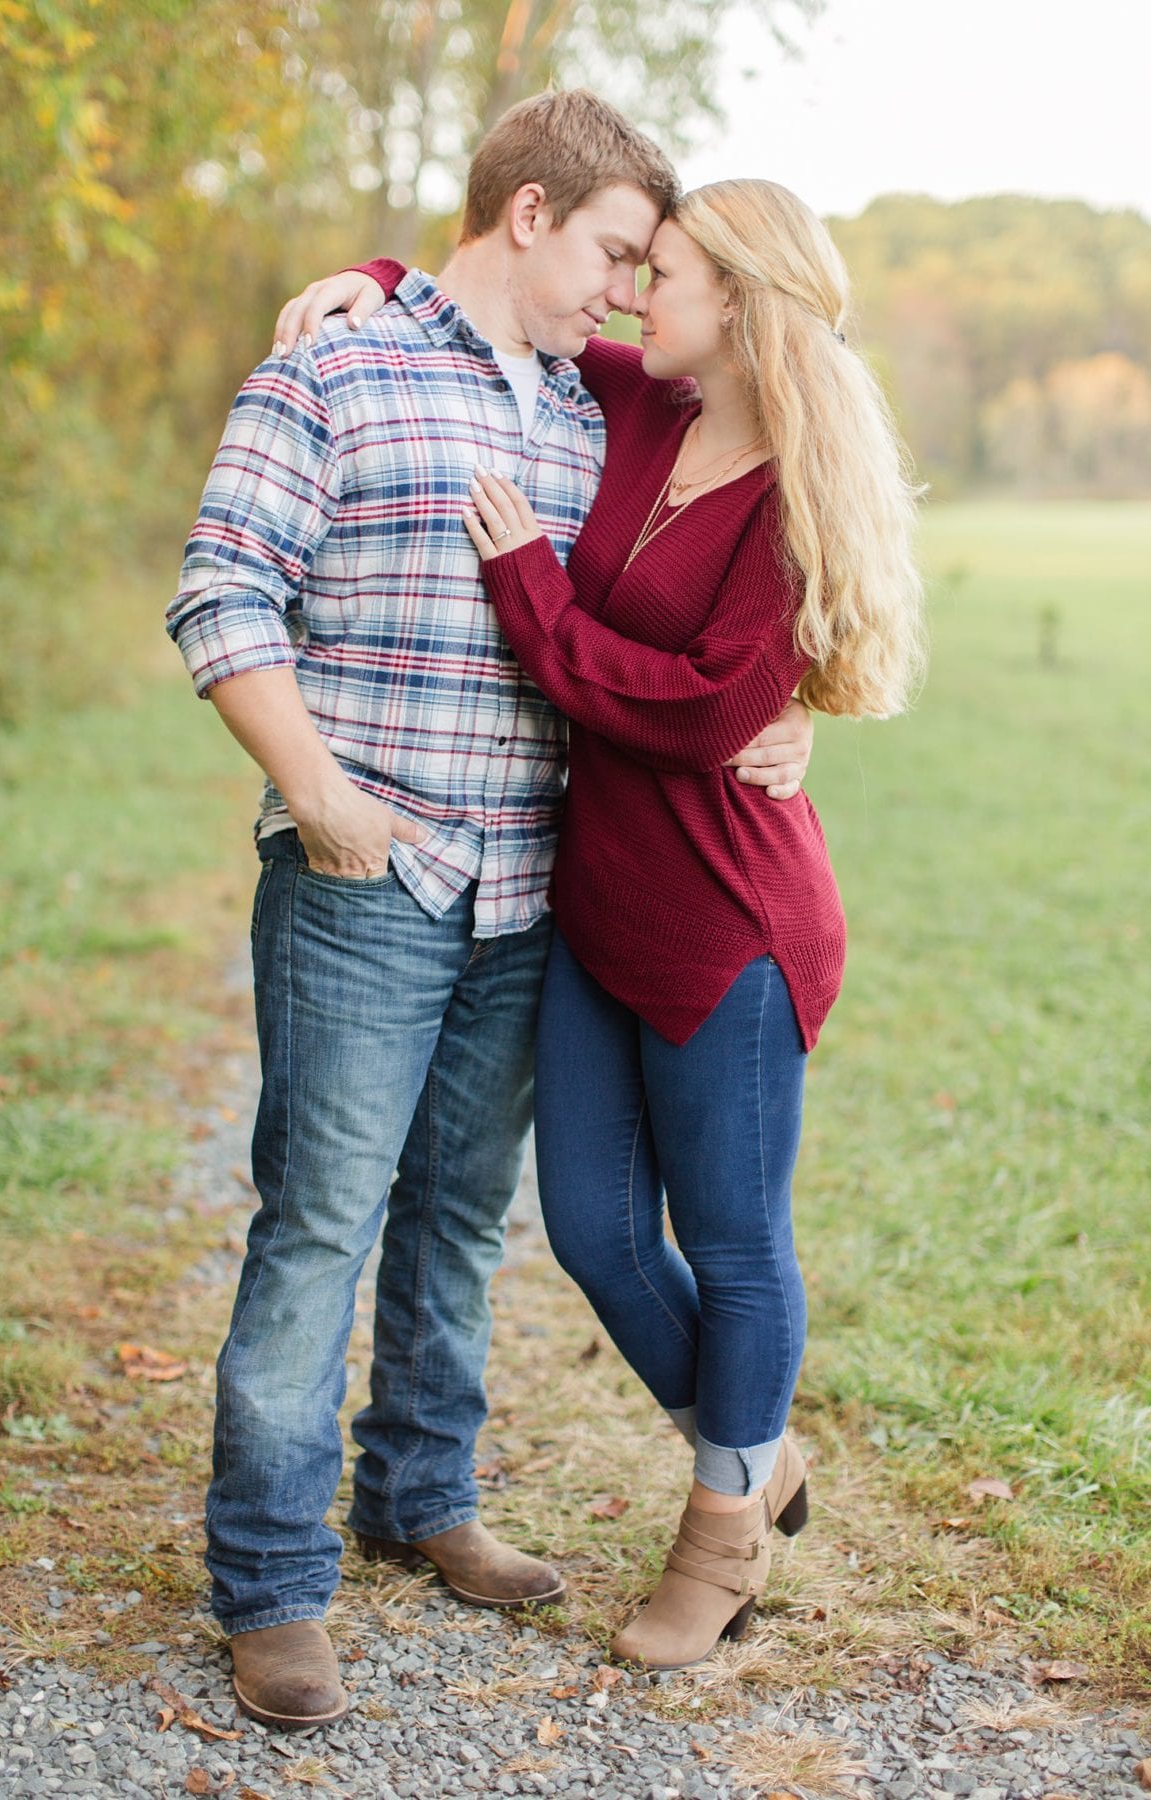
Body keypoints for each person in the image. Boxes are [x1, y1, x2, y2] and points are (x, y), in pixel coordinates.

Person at [167, 92, 812, 1729]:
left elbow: (732, 576)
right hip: (366, 879)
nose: (619, 290)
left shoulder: (601, 414)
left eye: (643, 267)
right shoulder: (337, 363)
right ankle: (270, 1582)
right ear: (528, 215)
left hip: (537, 893)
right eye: (608, 250)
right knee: (320, 1224)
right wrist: (318, 798)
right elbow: (222, 587)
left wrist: (797, 715)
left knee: (460, 1221)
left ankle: (421, 1496)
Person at [273, 174, 924, 1672]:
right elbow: (490, 312)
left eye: (671, 272)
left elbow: (702, 717)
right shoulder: (638, 408)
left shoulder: (796, 500)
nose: (638, 294)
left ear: (746, 305)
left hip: (731, 927)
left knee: (737, 1245)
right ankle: (758, 1446)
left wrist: (533, 593)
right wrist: (371, 272)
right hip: (595, 903)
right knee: (592, 1231)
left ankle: (718, 1539)